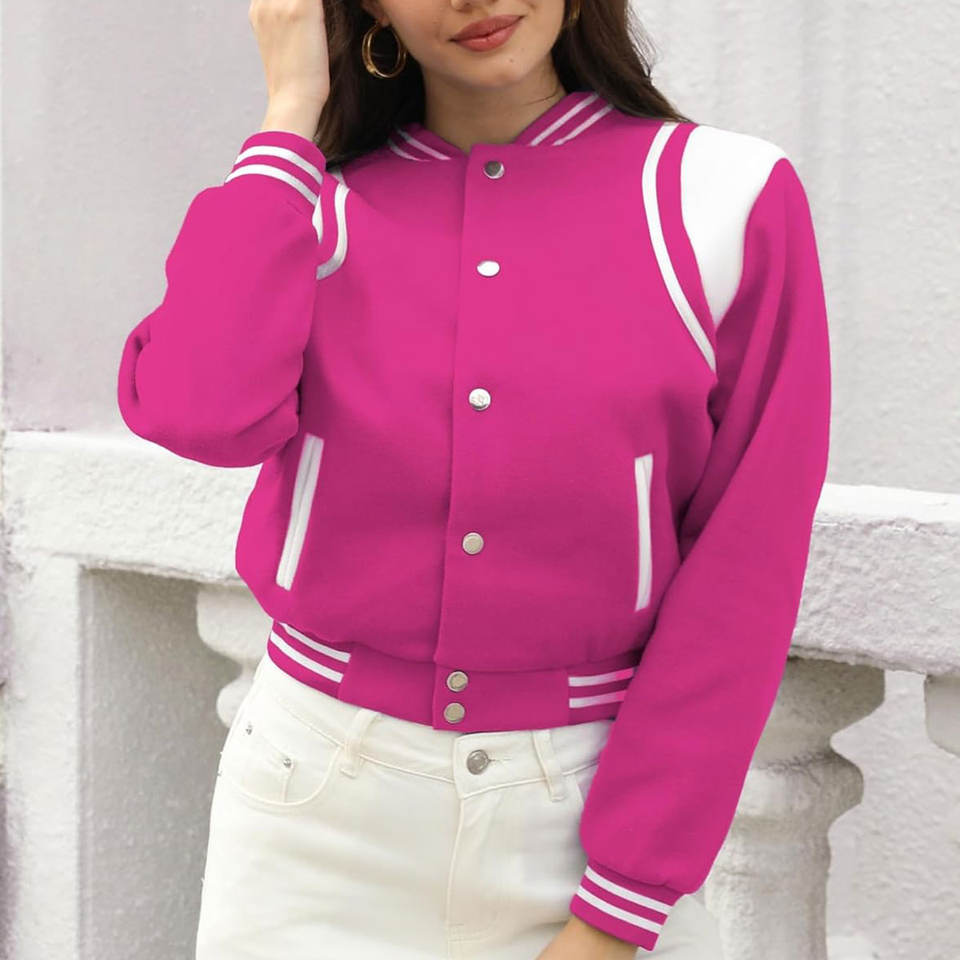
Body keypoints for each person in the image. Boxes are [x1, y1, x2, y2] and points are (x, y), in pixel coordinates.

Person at [115, 0, 832, 956]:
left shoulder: (725, 200)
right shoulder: (308, 207)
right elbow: (198, 411)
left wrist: (622, 901)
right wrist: (289, 111)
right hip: (307, 823)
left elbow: (746, 564)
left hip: (583, 832)